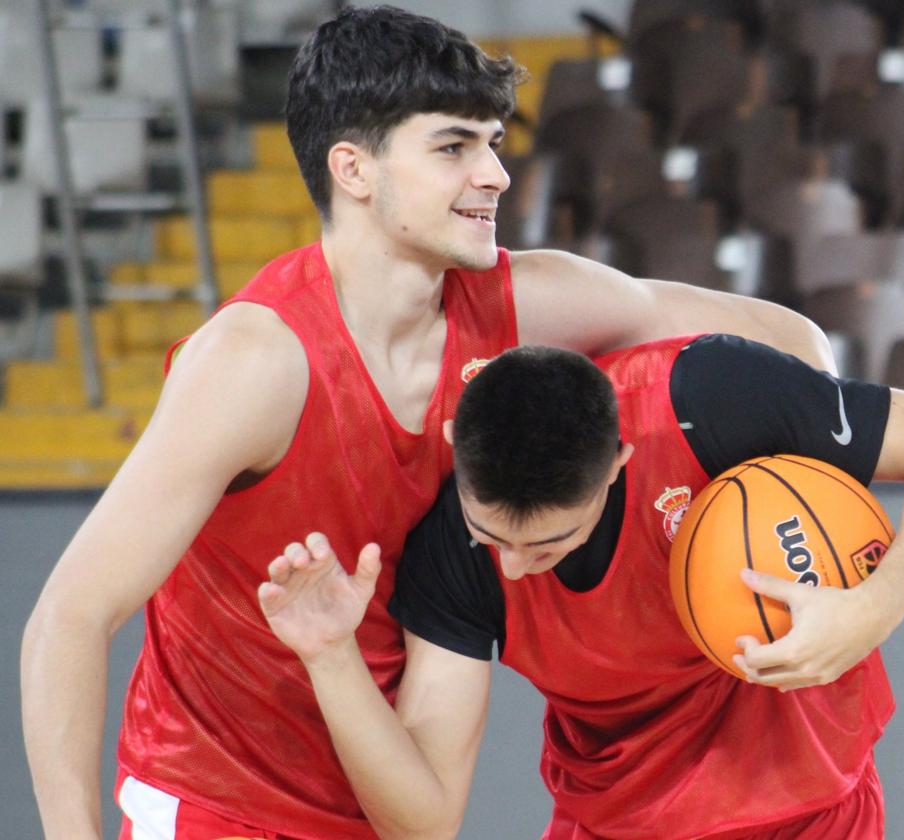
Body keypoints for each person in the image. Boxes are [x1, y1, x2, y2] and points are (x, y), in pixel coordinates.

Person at [19, 8, 837, 840]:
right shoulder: (255, 364)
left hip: (380, 806)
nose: (495, 175)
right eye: (453, 148)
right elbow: (70, 618)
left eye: (491, 143)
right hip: (217, 805)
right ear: (354, 170)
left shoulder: (530, 305)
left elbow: (796, 347)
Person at [260, 335, 904, 839]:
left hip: (811, 813)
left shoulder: (705, 398)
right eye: (497, 539)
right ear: (457, 443)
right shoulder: (450, 551)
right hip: (617, 824)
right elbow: (423, 821)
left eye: (551, 541)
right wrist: (330, 657)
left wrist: (874, 608)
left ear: (620, 459)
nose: (518, 567)